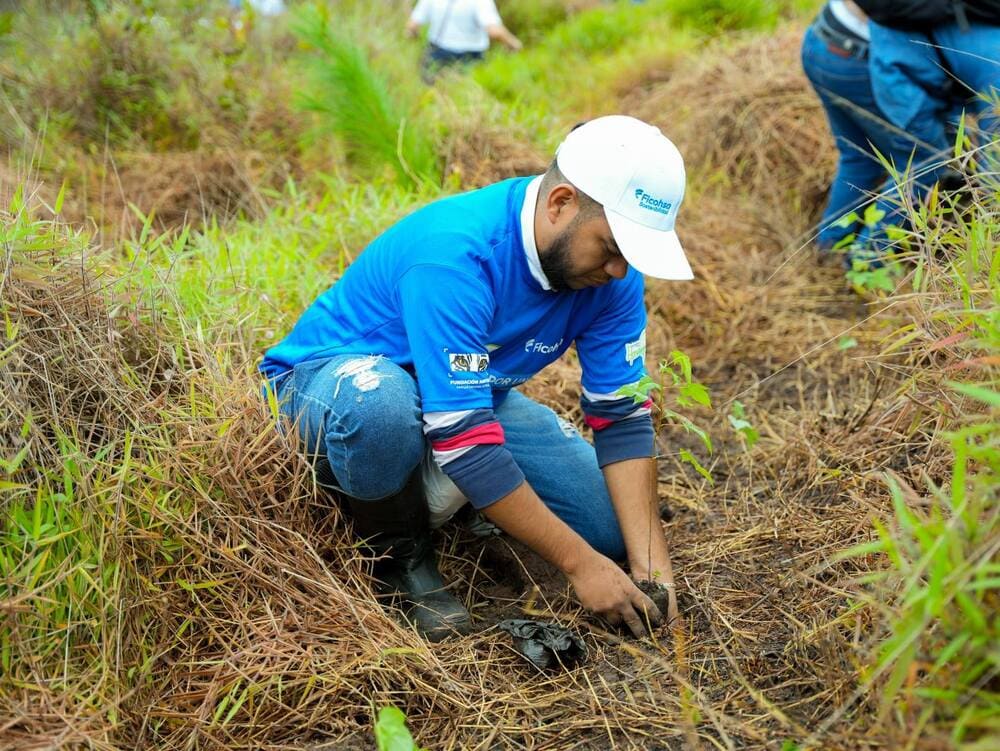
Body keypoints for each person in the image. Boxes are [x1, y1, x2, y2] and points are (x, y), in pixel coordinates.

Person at [260, 116, 686, 642]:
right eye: (611, 248)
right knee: (381, 408)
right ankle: (400, 560)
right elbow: (466, 440)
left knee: (604, 525)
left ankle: (440, 493)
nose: (620, 270)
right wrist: (580, 566)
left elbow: (620, 415)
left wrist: (653, 571)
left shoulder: (612, 277)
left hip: (465, 394)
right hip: (333, 384)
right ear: (561, 203)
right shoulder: (457, 254)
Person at [800, 1, 938, 256]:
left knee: (860, 156)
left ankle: (828, 250)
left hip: (822, 40)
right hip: (859, 61)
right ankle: (866, 262)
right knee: (926, 161)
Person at [406, 0, 522, 83]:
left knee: (434, 94)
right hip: (471, 58)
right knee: (467, 95)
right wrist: (514, 44)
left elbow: (412, 27)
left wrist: (415, 38)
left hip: (437, 54)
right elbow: (494, 31)